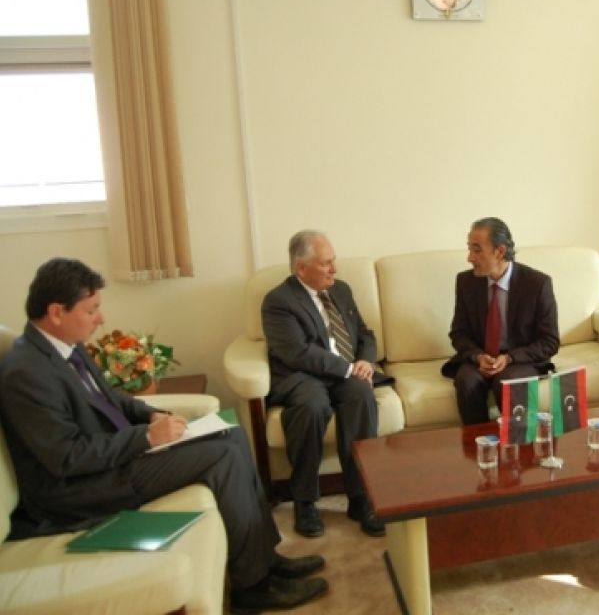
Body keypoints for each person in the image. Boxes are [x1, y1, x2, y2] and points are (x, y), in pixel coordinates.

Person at [0, 258, 327, 611]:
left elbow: (113, 400)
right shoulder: (26, 373)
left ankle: (267, 560)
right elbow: (67, 457)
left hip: (114, 458)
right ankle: (253, 587)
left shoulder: (67, 345)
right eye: (91, 310)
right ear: (56, 312)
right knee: (221, 456)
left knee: (231, 433)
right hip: (81, 488)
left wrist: (151, 414)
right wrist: (146, 438)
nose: (101, 318)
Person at [262, 230, 387, 538]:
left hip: (345, 372)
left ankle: (360, 497)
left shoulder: (341, 290)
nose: (334, 269)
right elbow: (297, 352)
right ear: (301, 267)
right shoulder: (278, 301)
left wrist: (366, 361)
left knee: (361, 395)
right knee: (312, 407)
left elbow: (364, 333)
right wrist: (348, 368)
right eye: (326, 263)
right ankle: (305, 501)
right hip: (303, 375)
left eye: (334, 261)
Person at [442, 217, 560, 425]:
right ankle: (478, 442)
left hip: (519, 360)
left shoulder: (537, 284)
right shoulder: (466, 282)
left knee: (509, 383)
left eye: (477, 250)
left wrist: (509, 358)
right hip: (480, 358)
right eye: (469, 249)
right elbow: (459, 333)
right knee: (466, 381)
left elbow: (549, 341)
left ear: (500, 251)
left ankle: (519, 441)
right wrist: (478, 356)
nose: (470, 257)